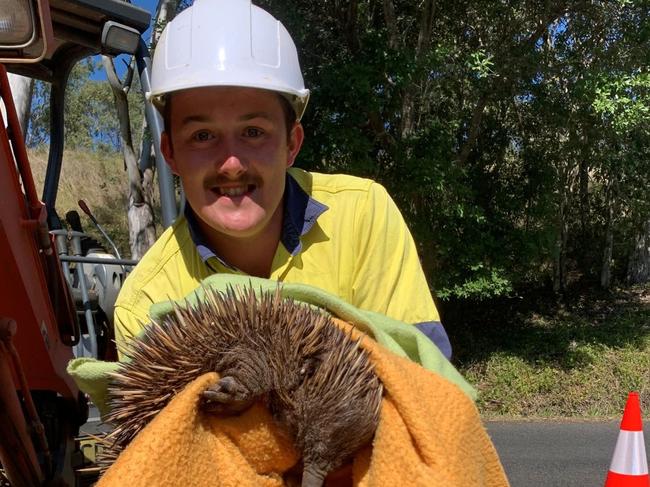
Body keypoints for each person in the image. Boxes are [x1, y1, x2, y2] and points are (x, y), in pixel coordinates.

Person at [113, 0, 451, 359]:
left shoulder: (363, 216)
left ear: (292, 143)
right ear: (170, 153)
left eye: (254, 132)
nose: (231, 164)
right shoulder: (145, 305)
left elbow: (425, 388)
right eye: (202, 136)